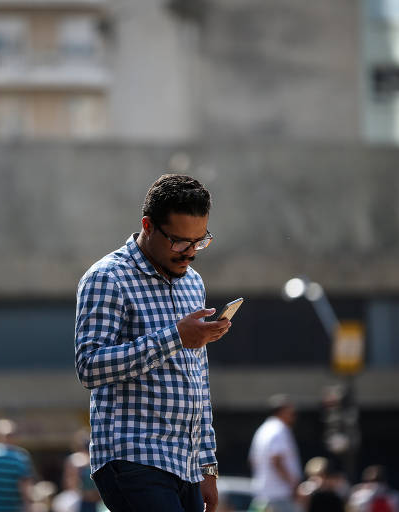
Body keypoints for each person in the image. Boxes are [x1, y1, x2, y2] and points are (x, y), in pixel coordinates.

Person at [75, 174, 230, 512]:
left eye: (199, 241)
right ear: (148, 225)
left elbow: (197, 381)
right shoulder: (107, 278)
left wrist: (207, 466)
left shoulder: (193, 283)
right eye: (179, 242)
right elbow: (89, 366)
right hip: (132, 455)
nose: (189, 253)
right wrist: (175, 337)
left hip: (185, 463)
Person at [248, 394, 302, 512]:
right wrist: (293, 484)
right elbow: (276, 460)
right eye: (291, 412)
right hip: (280, 494)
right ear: (281, 412)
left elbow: (253, 461)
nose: (294, 416)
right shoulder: (279, 430)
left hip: (263, 492)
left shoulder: (263, 429)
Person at [60, 429, 101, 512]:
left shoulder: (75, 460)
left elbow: (69, 483)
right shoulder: (98, 459)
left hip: (88, 500)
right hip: (97, 500)